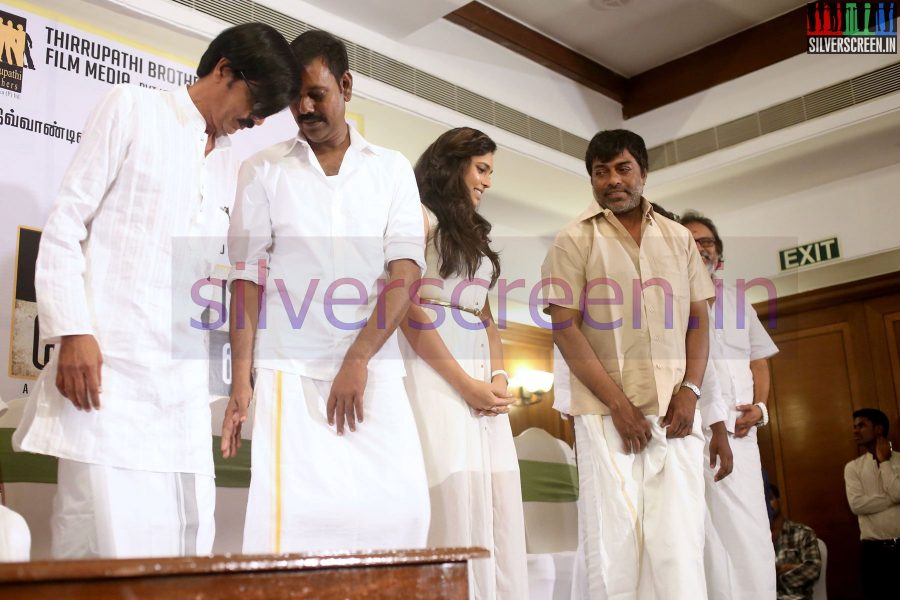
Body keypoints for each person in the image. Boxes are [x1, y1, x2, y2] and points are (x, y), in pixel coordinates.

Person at [12, 23, 298, 559]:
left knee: (184, 551)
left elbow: (207, 284)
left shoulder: (224, 166)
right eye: (258, 103)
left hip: (180, 401)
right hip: (107, 383)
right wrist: (73, 332)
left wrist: (233, 381)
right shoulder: (134, 109)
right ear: (225, 71)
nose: (255, 121)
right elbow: (66, 225)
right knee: (98, 544)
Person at [222, 29, 430, 554]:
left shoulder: (391, 169)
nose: (304, 107)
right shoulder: (262, 169)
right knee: (290, 525)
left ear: (347, 85)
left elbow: (405, 274)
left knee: (403, 513)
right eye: (296, 96)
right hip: (289, 372)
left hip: (373, 366)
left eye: (317, 93)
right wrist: (240, 380)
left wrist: (358, 359)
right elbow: (245, 277)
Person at [542, 129, 714, 599]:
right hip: (605, 418)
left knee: (679, 548)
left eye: (622, 169)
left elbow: (699, 318)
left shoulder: (679, 238)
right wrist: (619, 406)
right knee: (615, 551)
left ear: (643, 172)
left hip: (676, 414)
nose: (612, 181)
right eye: (601, 172)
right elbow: (565, 329)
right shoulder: (571, 240)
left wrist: (690, 391)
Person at [398, 127, 526, 599]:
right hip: (434, 374)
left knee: (496, 503)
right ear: (453, 165)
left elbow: (486, 315)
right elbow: (405, 310)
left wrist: (497, 377)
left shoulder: (472, 231)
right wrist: (464, 384)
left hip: (480, 381)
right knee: (450, 497)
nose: (488, 181)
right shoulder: (420, 217)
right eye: (482, 168)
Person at [681, 210, 778, 600]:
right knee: (701, 533)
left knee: (749, 529)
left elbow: (760, 360)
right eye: (690, 241)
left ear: (718, 254)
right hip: (690, 433)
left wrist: (760, 407)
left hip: (741, 435)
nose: (699, 248)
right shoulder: (672, 299)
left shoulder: (741, 302)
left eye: (705, 241)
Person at [844, 408, 900, 599]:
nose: (855, 431)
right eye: (854, 426)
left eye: (861, 425)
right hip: (874, 553)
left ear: (878, 429)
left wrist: (884, 462)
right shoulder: (852, 468)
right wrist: (894, 498)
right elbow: (857, 505)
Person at [769, 484, 822, 600]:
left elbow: (812, 570)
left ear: (779, 501)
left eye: (770, 498)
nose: (767, 505)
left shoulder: (803, 533)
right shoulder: (754, 541)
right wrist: (789, 568)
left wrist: (773, 577)